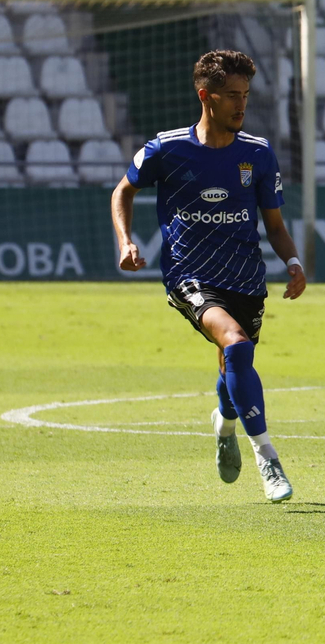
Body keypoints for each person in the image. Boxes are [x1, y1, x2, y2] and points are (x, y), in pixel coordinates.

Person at [110, 49, 305, 503]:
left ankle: (226, 422)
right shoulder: (166, 148)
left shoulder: (257, 154)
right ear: (206, 97)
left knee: (233, 361)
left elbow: (274, 225)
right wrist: (126, 241)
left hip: (245, 276)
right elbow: (123, 191)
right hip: (189, 274)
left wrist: (293, 263)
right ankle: (267, 457)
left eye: (246, 95)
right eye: (232, 96)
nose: (241, 105)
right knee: (234, 344)